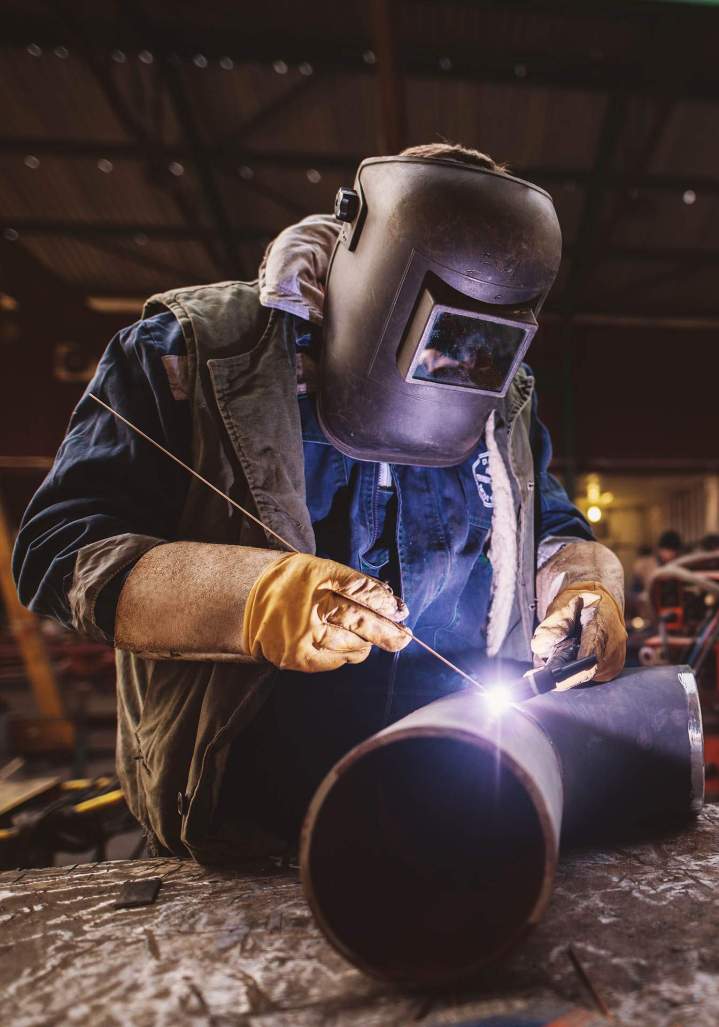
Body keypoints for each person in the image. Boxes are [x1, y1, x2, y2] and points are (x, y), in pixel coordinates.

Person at [13, 143, 627, 862]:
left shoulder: (504, 397)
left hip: (459, 811)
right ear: (370, 267)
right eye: (432, 333)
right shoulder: (189, 351)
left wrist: (585, 587)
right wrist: (249, 598)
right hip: (252, 828)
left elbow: (546, 526)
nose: (457, 363)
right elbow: (61, 550)